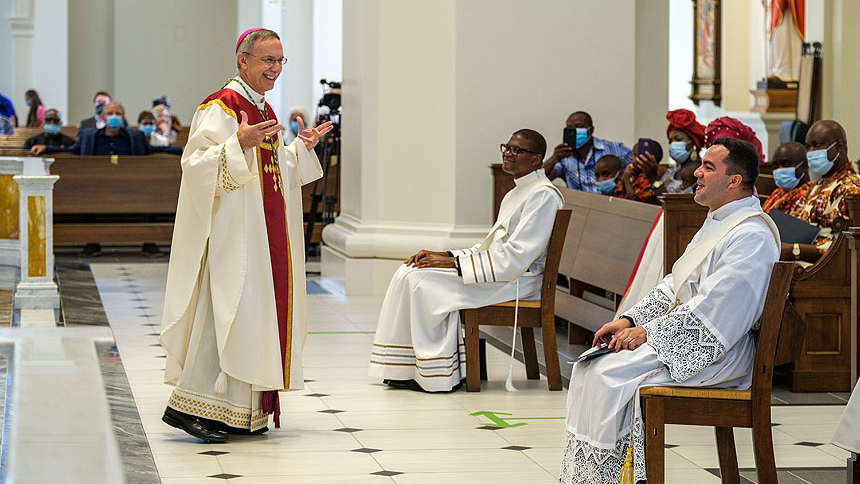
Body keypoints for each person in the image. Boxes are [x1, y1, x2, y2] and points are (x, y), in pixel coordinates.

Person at [560, 137, 780, 484]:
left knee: (608, 375)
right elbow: (675, 284)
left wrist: (649, 332)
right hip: (686, 340)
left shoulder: (751, 234)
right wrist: (629, 319)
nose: (697, 173)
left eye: (709, 167)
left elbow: (718, 309)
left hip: (721, 351)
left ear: (734, 181)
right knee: (592, 366)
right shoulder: (719, 220)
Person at [159, 28, 332, 442]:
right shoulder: (222, 106)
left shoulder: (261, 107)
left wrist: (299, 150)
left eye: (280, 61)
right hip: (233, 235)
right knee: (225, 314)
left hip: (261, 233)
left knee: (250, 317)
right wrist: (235, 142)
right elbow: (196, 164)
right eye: (267, 60)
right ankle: (185, 406)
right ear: (243, 60)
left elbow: (272, 174)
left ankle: (235, 411)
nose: (275, 69)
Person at [369, 129, 563, 392]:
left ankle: (434, 373)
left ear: (535, 160)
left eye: (517, 150)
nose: (508, 152)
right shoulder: (517, 192)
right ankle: (405, 367)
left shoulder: (544, 195)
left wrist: (454, 265)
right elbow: (493, 247)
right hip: (502, 273)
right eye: (507, 147)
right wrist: (445, 255)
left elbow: (517, 257)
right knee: (408, 271)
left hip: (520, 281)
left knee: (421, 281)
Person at [782, 120, 860, 262]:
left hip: (822, 275)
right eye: (808, 147)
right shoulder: (818, 185)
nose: (811, 152)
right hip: (796, 265)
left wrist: (794, 250)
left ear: (840, 147)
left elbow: (844, 247)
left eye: (818, 145)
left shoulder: (851, 187)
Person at [30, 102, 181, 157]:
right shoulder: (89, 136)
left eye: (117, 114)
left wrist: (182, 149)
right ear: (103, 117)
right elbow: (71, 149)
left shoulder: (135, 137)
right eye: (110, 113)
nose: (114, 116)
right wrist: (46, 148)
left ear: (123, 118)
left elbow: (156, 150)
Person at [543, 111, 632, 193]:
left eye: (579, 126)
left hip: (612, 204)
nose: (574, 131)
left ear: (591, 130)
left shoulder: (614, 149)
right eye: (570, 128)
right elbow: (542, 179)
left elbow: (638, 169)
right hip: (580, 207)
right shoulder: (564, 157)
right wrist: (554, 159)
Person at [762, 141, 813, 214]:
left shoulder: (811, 196)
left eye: (786, 164)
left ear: (804, 165)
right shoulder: (777, 193)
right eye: (776, 166)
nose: (780, 170)